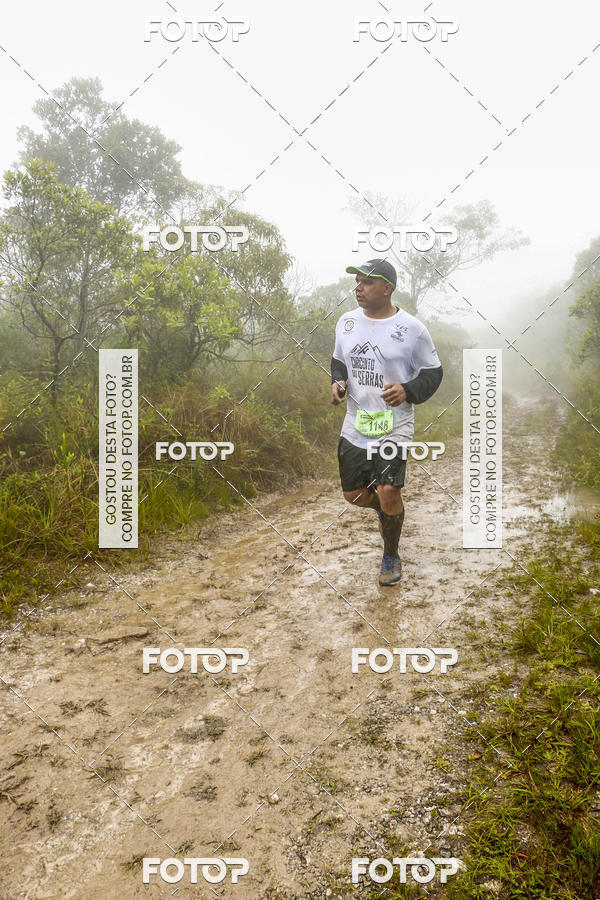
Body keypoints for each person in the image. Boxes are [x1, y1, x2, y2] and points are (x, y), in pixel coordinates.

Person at [330, 259, 443, 585]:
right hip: (357, 421)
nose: (358, 288)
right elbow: (339, 360)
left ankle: (390, 554)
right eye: (357, 281)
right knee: (352, 495)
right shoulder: (346, 323)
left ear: (387, 288)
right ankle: (388, 511)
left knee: (389, 488)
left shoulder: (413, 329)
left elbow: (434, 373)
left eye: (366, 282)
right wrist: (338, 383)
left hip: (394, 424)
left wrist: (408, 390)